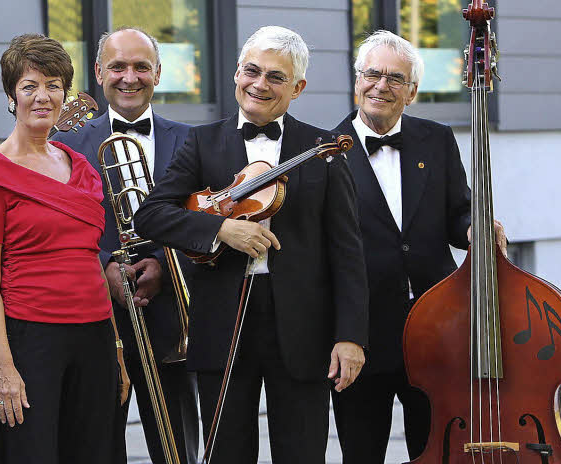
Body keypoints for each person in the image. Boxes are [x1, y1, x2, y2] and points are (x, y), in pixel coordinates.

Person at [133, 26, 368, 463]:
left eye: (276, 77)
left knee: (302, 453)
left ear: (297, 87)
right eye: (251, 71)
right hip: (222, 325)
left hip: (303, 331)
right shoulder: (201, 141)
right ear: (236, 75)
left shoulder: (323, 150)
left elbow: (348, 253)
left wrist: (350, 336)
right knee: (226, 453)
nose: (259, 84)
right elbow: (151, 214)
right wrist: (220, 230)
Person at [330, 30, 507, 463]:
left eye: (395, 79)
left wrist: (475, 227)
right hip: (362, 335)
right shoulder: (324, 152)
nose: (380, 86)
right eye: (372, 74)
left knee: (438, 451)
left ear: (411, 92)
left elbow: (457, 213)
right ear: (356, 81)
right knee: (362, 452)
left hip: (436, 328)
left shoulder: (437, 138)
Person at [0, 33, 129, 463]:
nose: (43, 96)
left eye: (54, 85)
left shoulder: (82, 167)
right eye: (29, 86)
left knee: (93, 452)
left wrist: (114, 347)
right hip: (31, 340)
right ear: (10, 95)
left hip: (95, 336)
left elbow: (94, 263)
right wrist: (2, 367)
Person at [52, 26, 199, 464]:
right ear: (99, 72)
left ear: (158, 72)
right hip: (95, 323)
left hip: (173, 318)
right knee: (95, 446)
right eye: (117, 66)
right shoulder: (64, 144)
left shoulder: (193, 140)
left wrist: (163, 265)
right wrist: (102, 266)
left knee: (178, 449)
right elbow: (57, 226)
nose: (129, 77)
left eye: (140, 67)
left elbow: (204, 220)